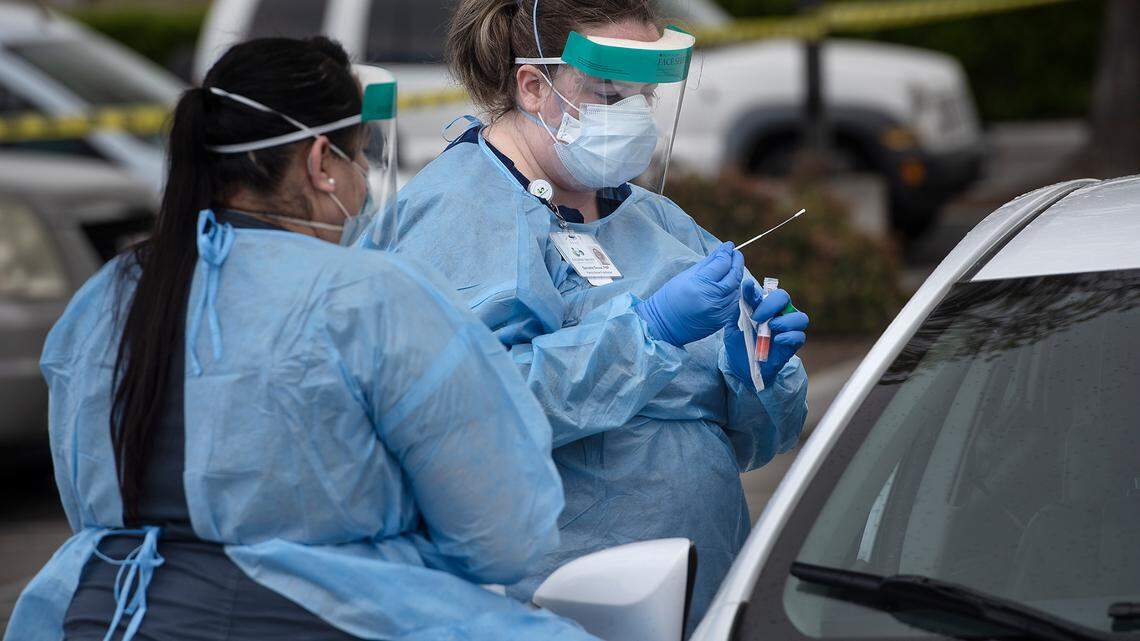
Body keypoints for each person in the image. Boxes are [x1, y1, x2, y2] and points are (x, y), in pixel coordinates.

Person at [4, 37, 599, 641]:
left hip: (91, 612)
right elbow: (503, 536)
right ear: (321, 164)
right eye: (358, 157)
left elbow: (88, 501)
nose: (364, 181)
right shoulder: (370, 297)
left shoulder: (103, 298)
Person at [363, 0, 810, 631]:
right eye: (607, 95)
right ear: (532, 86)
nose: (630, 115)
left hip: (705, 592)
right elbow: (466, 415)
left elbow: (763, 440)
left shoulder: (652, 221)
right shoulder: (461, 215)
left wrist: (757, 373)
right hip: (550, 604)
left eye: (641, 97)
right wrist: (646, 334)